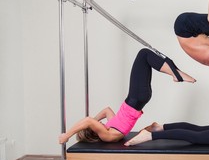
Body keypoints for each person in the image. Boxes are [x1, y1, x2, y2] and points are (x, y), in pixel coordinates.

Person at [58, 48, 196, 144]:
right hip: (135, 98)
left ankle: (176, 73)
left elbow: (106, 110)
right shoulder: (106, 135)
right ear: (93, 131)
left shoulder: (111, 127)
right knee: (143, 54)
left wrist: (94, 120)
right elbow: (88, 120)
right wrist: (67, 135)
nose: (98, 123)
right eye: (95, 125)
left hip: (139, 98)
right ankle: (176, 74)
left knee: (146, 56)